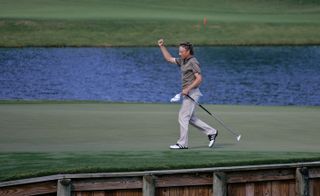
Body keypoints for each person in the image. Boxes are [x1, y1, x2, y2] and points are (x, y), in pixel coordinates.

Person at [157, 39, 218, 149]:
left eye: (181, 52)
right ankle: (211, 132)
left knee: (183, 116)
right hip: (187, 93)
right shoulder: (183, 60)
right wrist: (162, 46)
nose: (179, 53)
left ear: (188, 51)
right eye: (179, 51)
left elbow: (199, 79)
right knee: (190, 118)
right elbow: (169, 59)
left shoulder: (193, 61)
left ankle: (182, 143)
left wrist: (188, 88)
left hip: (192, 93)